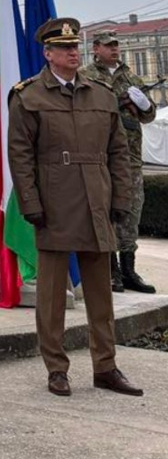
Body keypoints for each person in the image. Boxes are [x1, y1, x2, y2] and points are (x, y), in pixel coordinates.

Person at [8, 17, 143, 397]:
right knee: (51, 295)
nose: (72, 53)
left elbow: (118, 152)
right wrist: (30, 203)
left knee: (100, 292)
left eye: (75, 47)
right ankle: (56, 368)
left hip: (96, 200)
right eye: (64, 48)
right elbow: (19, 156)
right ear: (48, 53)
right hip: (53, 201)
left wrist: (121, 199)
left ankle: (106, 366)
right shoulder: (28, 95)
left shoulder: (101, 94)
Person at [80, 29, 157, 294]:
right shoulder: (86, 76)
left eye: (116, 46)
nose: (114, 50)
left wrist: (144, 106)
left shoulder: (131, 77)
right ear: (96, 48)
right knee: (106, 212)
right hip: (102, 157)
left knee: (131, 211)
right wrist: (116, 102)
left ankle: (129, 270)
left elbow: (148, 117)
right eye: (108, 46)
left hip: (132, 158)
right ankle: (111, 271)